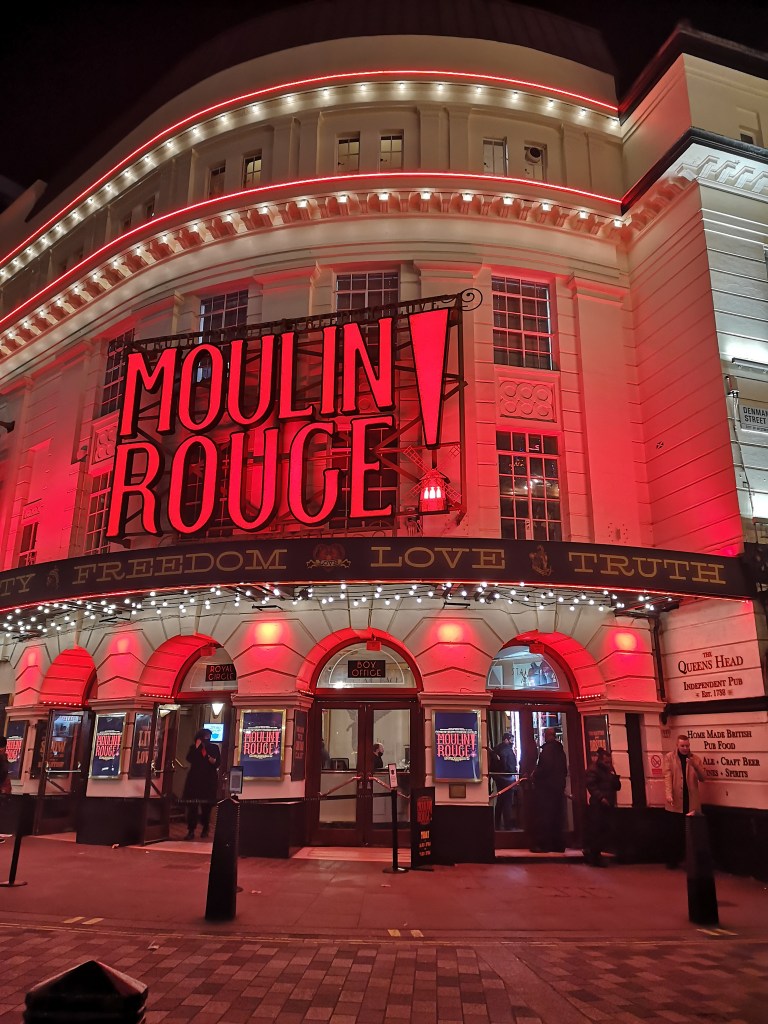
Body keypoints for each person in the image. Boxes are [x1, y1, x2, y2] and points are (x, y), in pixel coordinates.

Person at [663, 734, 707, 868]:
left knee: (691, 833)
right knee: (675, 833)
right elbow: (668, 776)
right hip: (675, 802)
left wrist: (694, 765)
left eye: (687, 745)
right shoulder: (669, 758)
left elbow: (703, 777)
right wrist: (669, 794)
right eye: (682, 746)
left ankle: (690, 861)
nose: (685, 748)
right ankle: (673, 860)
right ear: (677, 745)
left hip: (691, 801)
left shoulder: (695, 759)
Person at [531, 727, 568, 852]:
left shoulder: (547, 750)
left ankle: (544, 845)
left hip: (546, 789)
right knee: (557, 817)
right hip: (558, 788)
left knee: (545, 817)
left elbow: (545, 767)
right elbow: (564, 770)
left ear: (547, 735)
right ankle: (558, 845)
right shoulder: (560, 751)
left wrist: (534, 775)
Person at [583, 748, 621, 866]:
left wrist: (615, 777)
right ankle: (594, 855)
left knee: (605, 829)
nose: (609, 764)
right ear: (600, 761)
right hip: (598, 805)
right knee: (597, 830)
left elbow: (616, 787)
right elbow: (591, 785)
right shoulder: (594, 770)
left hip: (608, 803)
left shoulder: (608, 771)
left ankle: (594, 853)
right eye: (606, 762)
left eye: (610, 762)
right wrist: (601, 797)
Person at [182, 728, 221, 840]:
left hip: (208, 780)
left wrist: (212, 760)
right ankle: (191, 830)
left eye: (209, 736)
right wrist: (196, 747)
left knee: (206, 807)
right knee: (193, 806)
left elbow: (218, 762)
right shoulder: (194, 747)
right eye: (205, 736)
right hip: (195, 780)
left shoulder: (214, 747)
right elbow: (189, 759)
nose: (207, 738)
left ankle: (205, 828)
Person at [492, 733, 518, 830]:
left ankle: (497, 824)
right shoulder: (507, 750)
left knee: (500, 801)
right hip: (507, 778)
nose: (512, 743)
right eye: (511, 740)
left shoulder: (496, 749)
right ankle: (508, 825)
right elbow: (510, 766)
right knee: (507, 802)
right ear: (506, 740)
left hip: (498, 778)